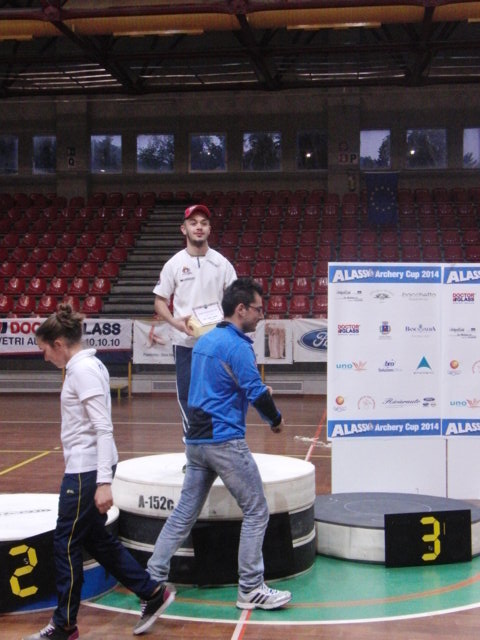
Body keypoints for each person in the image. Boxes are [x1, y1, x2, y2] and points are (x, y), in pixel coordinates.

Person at [135, 278, 292, 635]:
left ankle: (151, 583)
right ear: (241, 309)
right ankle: (251, 588)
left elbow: (213, 389)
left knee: (183, 514)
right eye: (258, 309)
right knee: (257, 510)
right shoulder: (238, 346)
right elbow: (255, 393)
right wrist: (276, 420)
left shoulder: (205, 342)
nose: (261, 315)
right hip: (224, 441)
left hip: (196, 441)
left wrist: (250, 392)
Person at [24, 304, 174, 640]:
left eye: (45, 349)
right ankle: (152, 593)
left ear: (59, 344)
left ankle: (64, 625)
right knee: (95, 539)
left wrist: (104, 481)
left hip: (86, 472)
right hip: (87, 469)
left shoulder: (82, 371)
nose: (45, 357)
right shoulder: (86, 366)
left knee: (65, 544)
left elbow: (103, 428)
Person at [153, 203, 236, 436]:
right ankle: (193, 447)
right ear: (184, 229)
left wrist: (226, 327)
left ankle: (218, 446)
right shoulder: (174, 264)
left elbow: (236, 299)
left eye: (204, 223)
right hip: (185, 344)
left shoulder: (222, 263)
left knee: (219, 396)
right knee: (189, 398)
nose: (199, 227)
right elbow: (159, 301)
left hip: (217, 344)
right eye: (193, 223)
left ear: (209, 229)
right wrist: (175, 322)